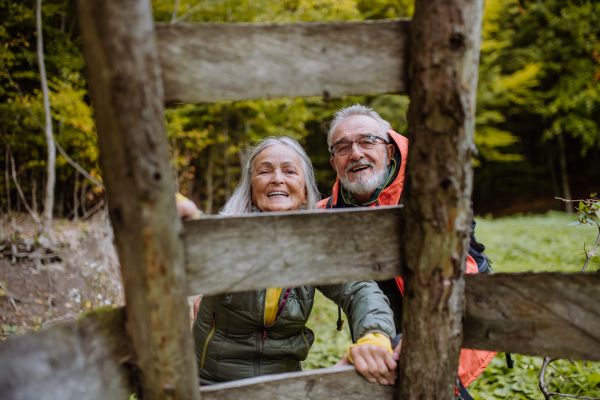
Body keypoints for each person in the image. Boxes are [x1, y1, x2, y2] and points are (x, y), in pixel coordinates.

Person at [181, 136, 400, 385]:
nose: (277, 178)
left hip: (285, 385)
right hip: (210, 383)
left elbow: (360, 289)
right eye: (265, 171)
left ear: (305, 192)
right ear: (251, 189)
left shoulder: (315, 244)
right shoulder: (225, 234)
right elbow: (186, 251)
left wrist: (375, 335)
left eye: (289, 171)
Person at [317, 104, 496, 396]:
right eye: (343, 147)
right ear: (334, 161)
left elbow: (459, 275)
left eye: (367, 140)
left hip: (449, 315)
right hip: (379, 328)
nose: (356, 153)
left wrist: (419, 339)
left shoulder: (432, 191)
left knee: (429, 386)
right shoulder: (327, 211)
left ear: (388, 151)